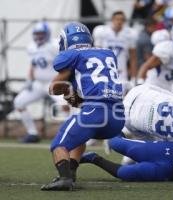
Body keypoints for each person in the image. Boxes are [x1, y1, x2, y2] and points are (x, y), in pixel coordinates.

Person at [40, 22, 125, 191]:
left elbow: (53, 87)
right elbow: (94, 90)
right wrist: (78, 98)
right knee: (80, 138)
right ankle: (71, 172)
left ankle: (64, 178)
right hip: (117, 116)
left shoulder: (71, 55)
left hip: (95, 112)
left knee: (58, 145)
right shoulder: (107, 53)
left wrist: (66, 89)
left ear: (66, 41)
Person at [13, 21, 59, 143]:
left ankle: (75, 135)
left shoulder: (55, 45)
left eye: (41, 33)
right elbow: (33, 65)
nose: (39, 36)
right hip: (38, 83)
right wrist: (29, 79)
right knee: (19, 102)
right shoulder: (31, 47)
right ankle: (32, 133)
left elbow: (65, 63)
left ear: (47, 34)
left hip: (54, 83)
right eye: (37, 33)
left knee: (69, 106)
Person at [92, 11, 138, 84]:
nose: (119, 22)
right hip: (105, 69)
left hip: (122, 70)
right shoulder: (102, 32)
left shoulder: (129, 34)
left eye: (121, 19)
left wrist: (134, 77)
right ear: (112, 20)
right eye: (117, 19)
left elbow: (133, 58)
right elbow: (96, 54)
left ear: (124, 21)